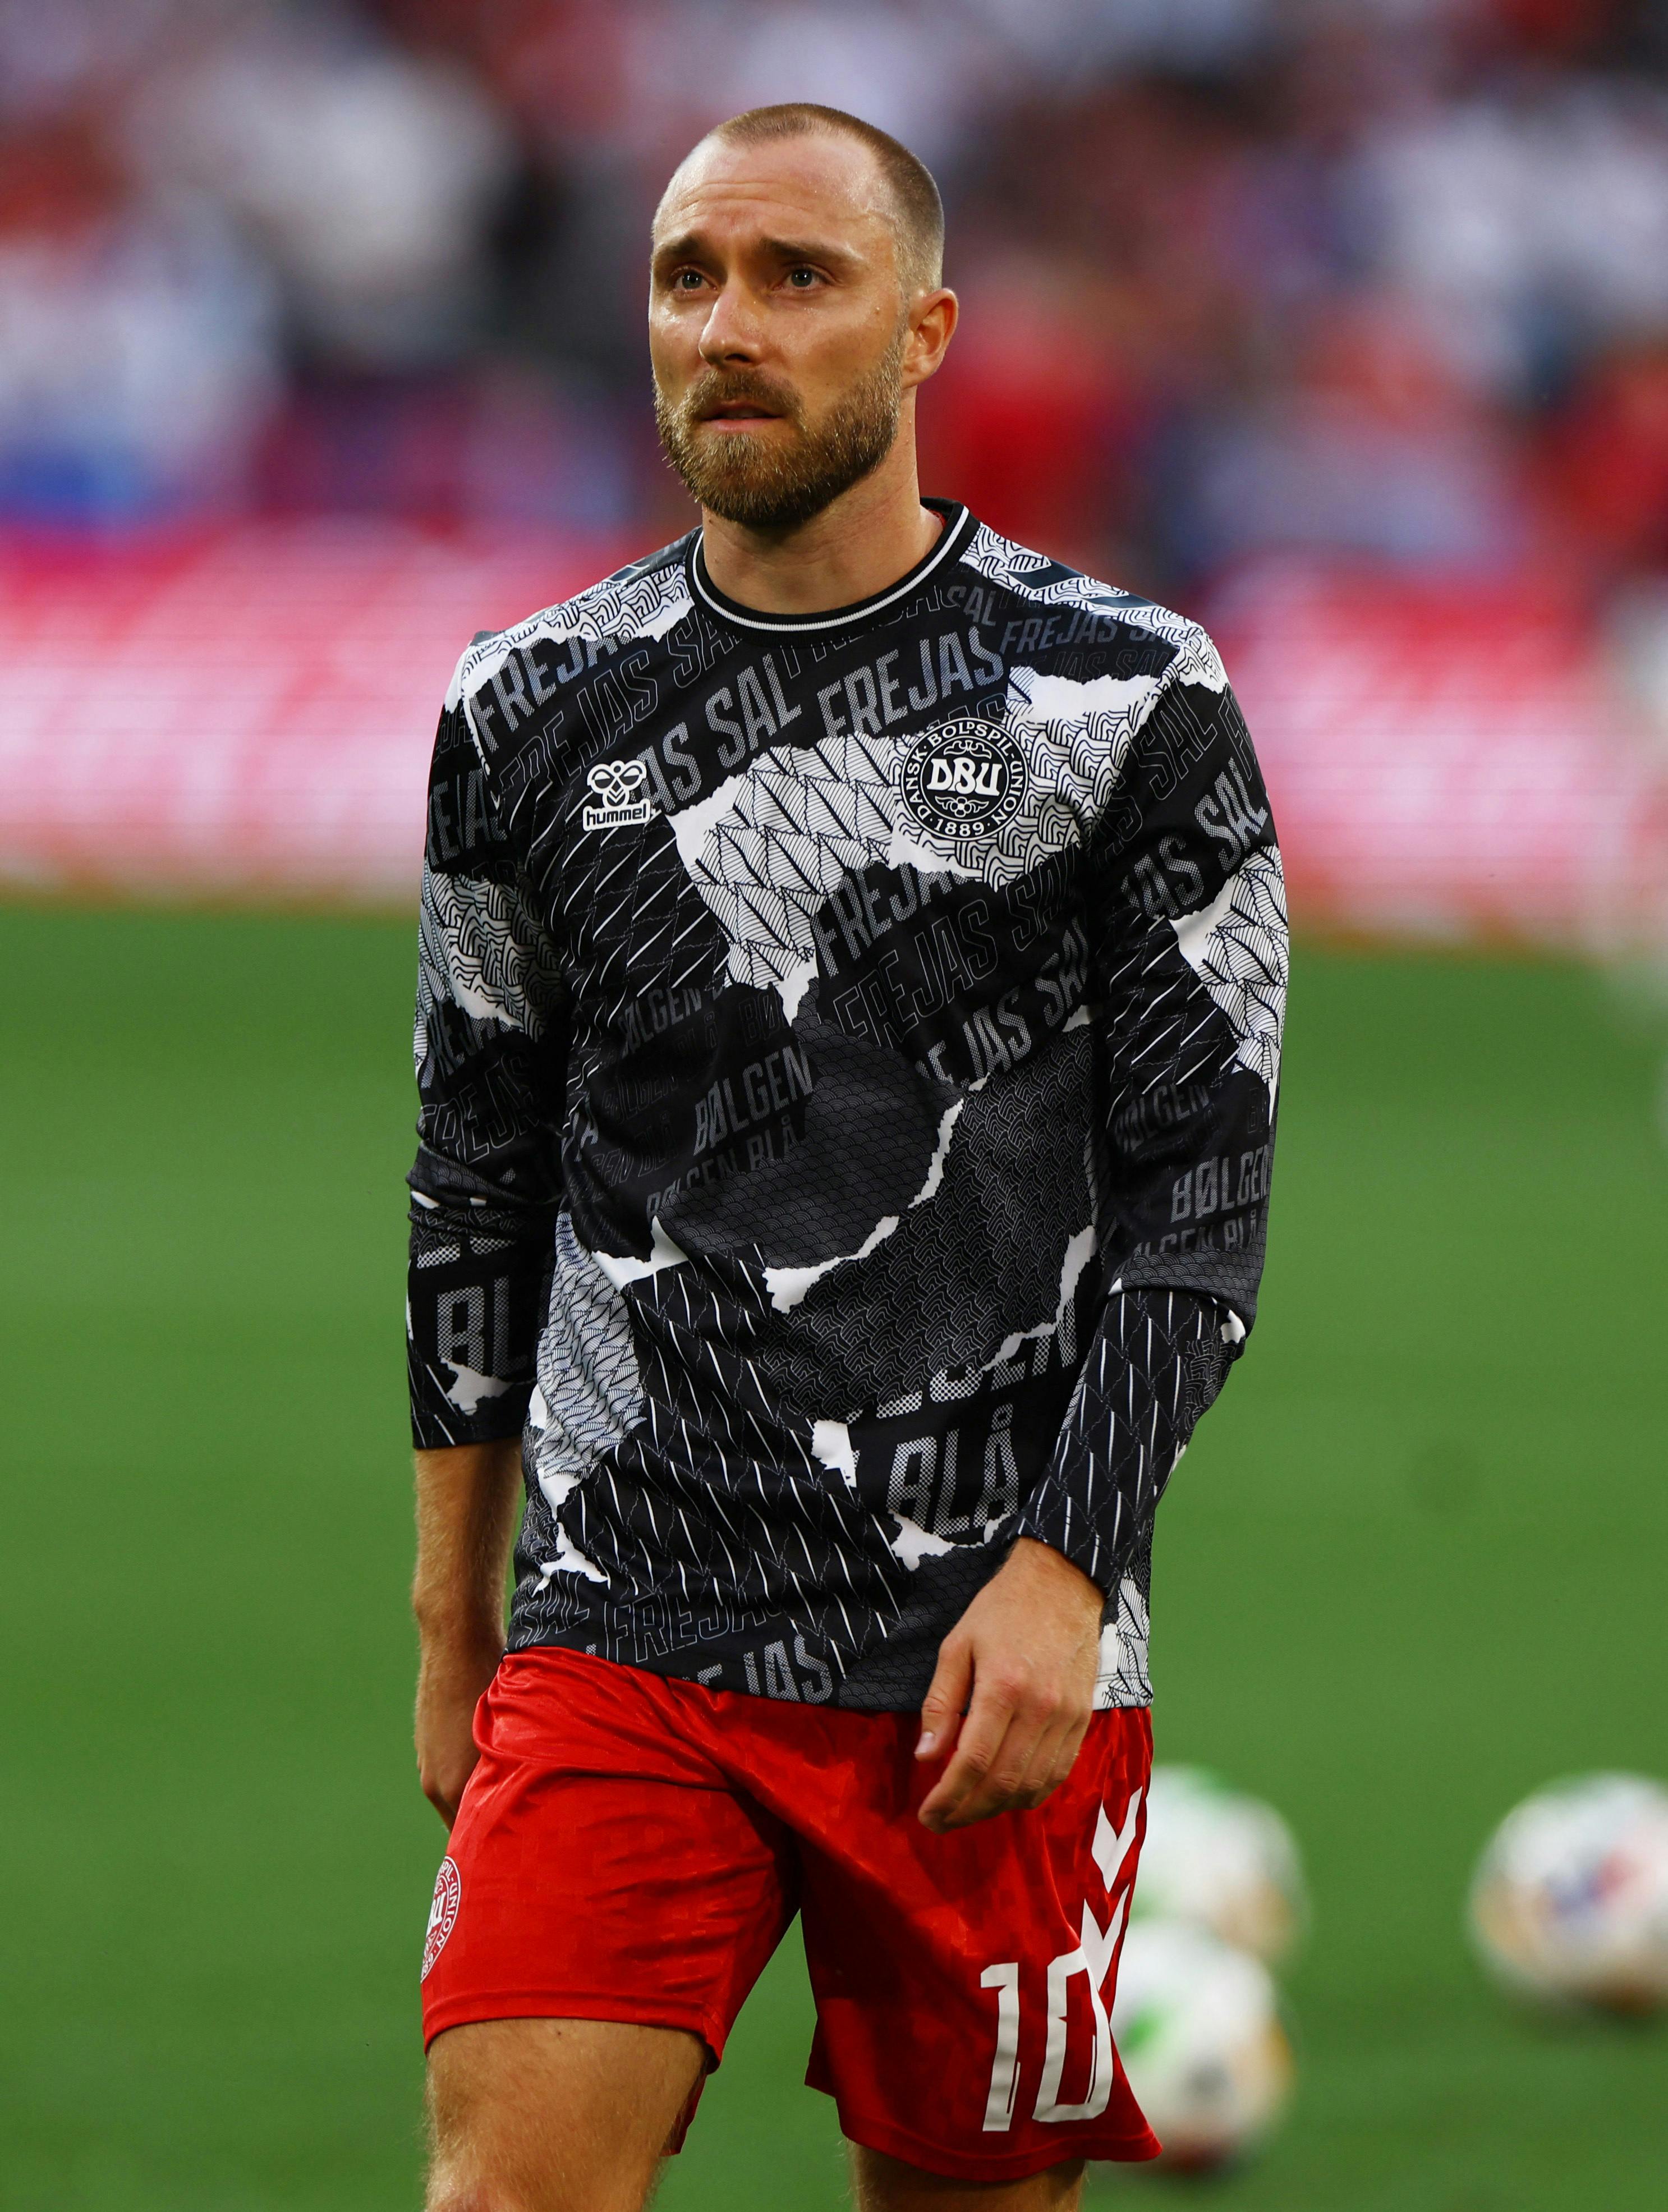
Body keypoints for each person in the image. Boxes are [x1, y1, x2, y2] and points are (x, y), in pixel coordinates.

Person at [407, 102, 1285, 2212]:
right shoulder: (524, 708)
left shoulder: (1125, 701)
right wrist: (457, 1619)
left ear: (925, 334)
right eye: (688, 273)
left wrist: (1072, 1575)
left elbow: (1204, 1195)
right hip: (625, 1628)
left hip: (986, 1657)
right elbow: (473, 1175)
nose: (729, 325)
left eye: (799, 278)